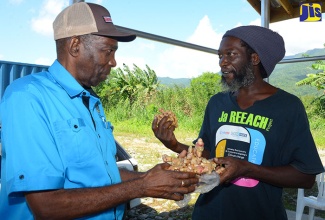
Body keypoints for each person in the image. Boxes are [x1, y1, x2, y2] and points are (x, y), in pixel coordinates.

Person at [0, 2, 199, 219]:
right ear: (75, 46)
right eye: (108, 51)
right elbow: (45, 205)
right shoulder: (28, 97)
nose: (113, 62)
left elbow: (101, 174)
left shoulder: (90, 100)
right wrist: (142, 186)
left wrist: (154, 178)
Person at [152, 25, 324, 220]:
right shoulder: (217, 103)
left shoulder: (287, 107)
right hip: (210, 212)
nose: (222, 63)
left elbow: (306, 176)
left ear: (254, 58)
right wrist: (173, 144)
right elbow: (208, 154)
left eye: (230, 54)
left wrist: (248, 168)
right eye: (220, 56)